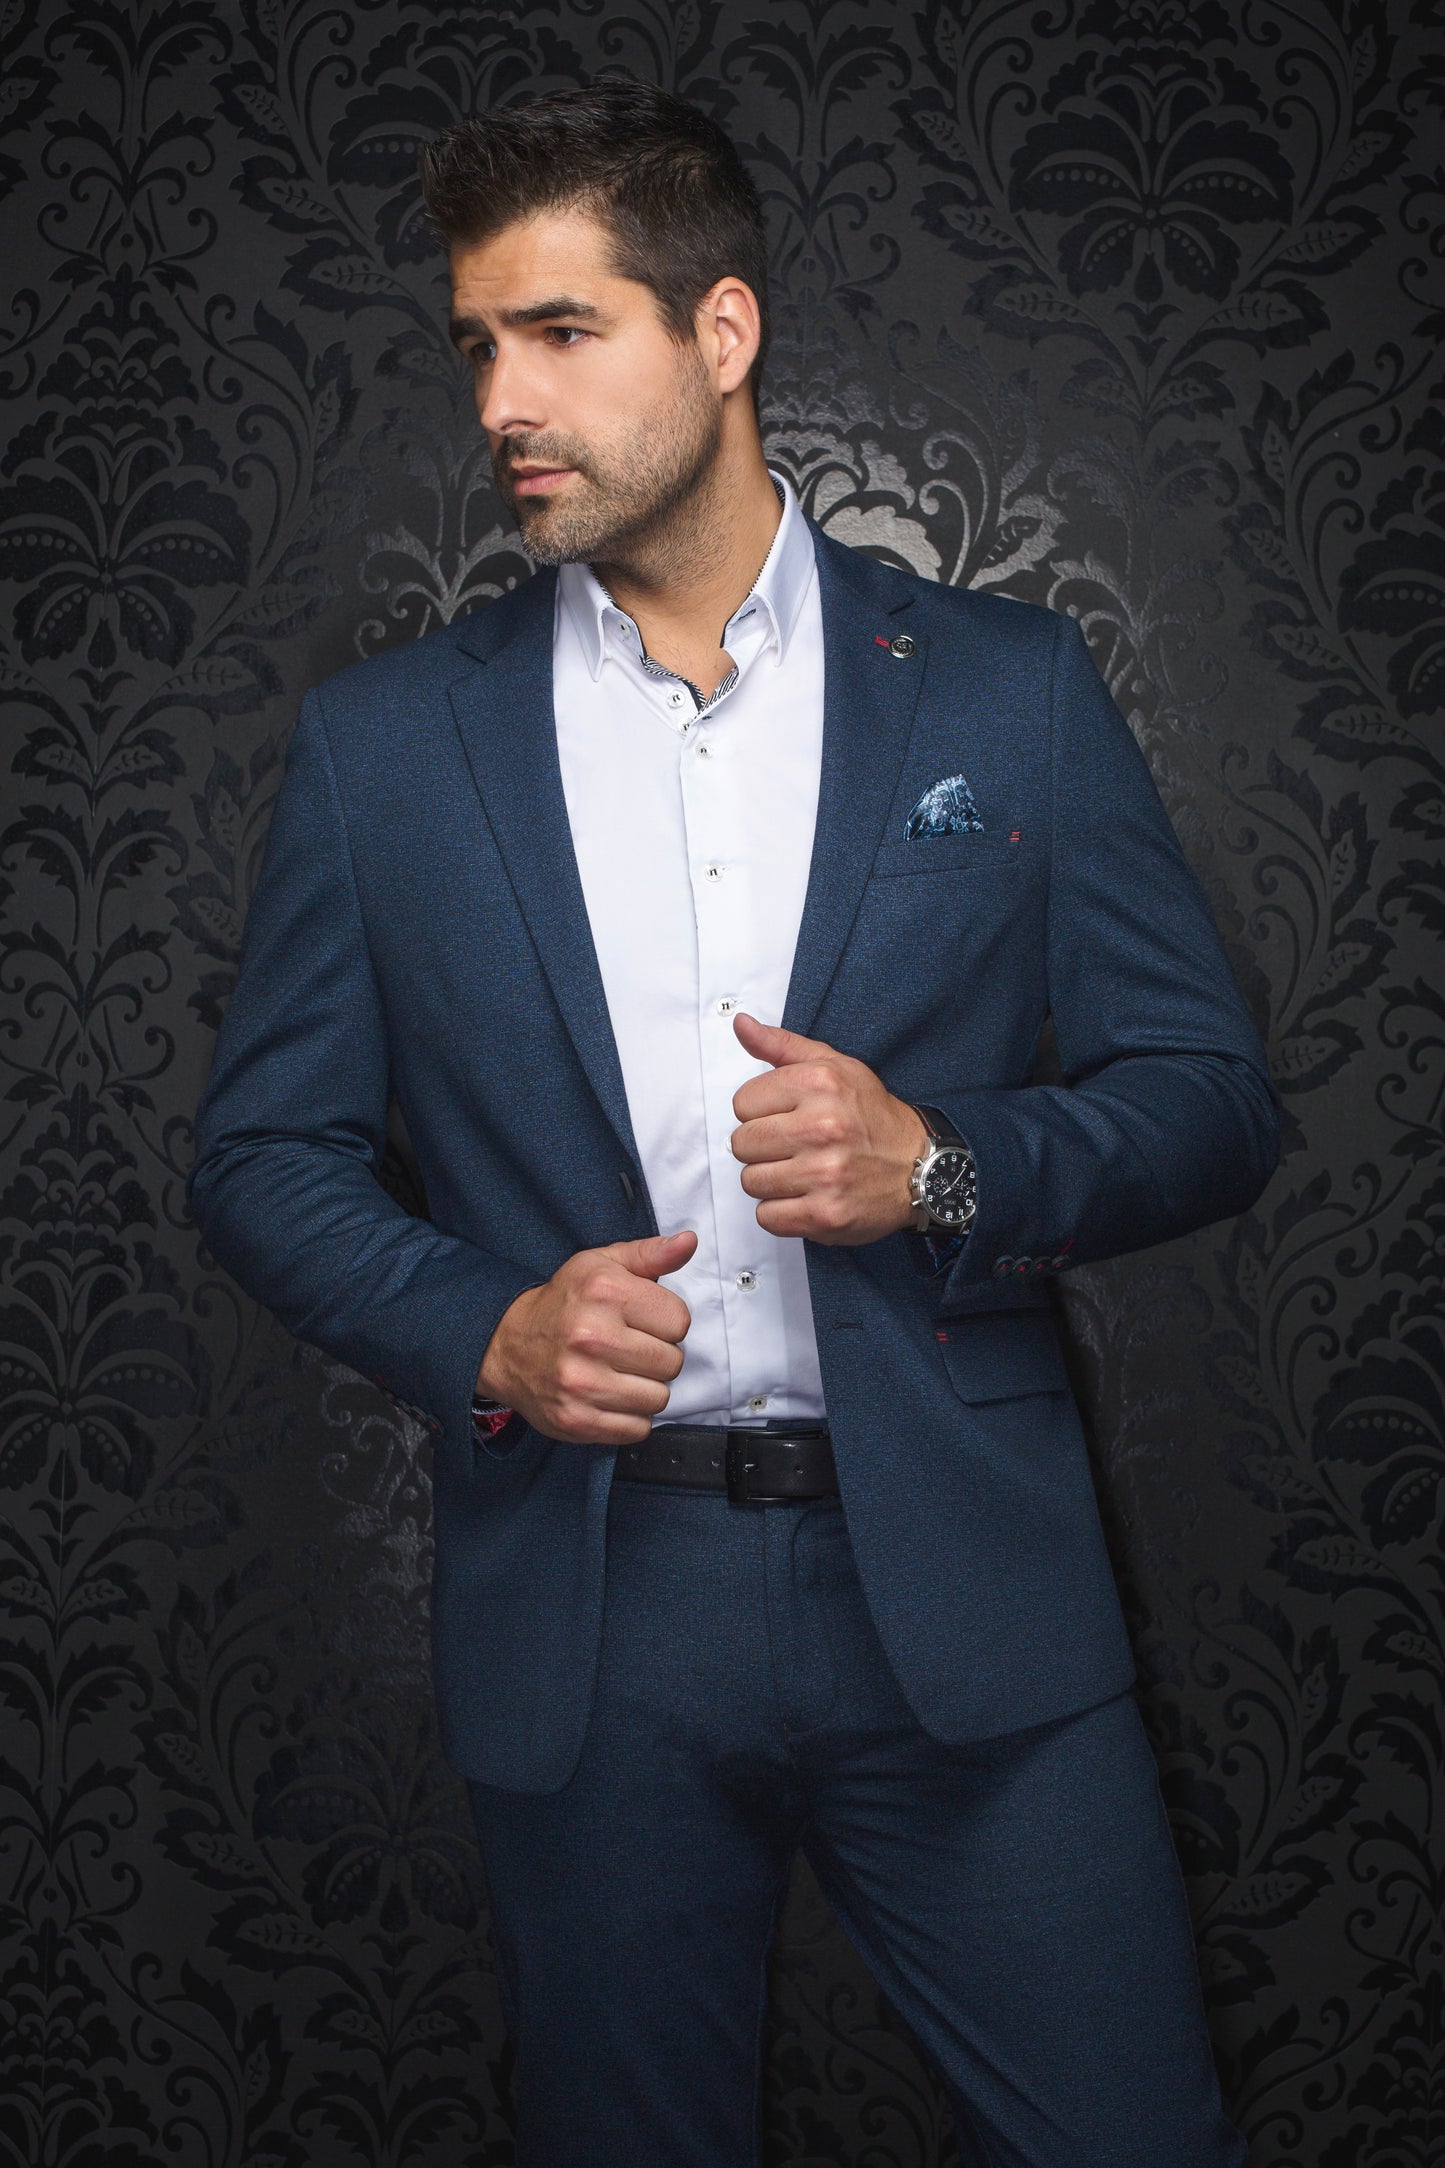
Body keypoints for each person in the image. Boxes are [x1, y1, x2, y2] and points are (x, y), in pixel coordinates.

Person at [186, 80, 1279, 2168]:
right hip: (597, 1615)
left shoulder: (1008, 690)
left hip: (960, 1582)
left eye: (560, 331)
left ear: (722, 331)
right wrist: (485, 1327)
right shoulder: (384, 749)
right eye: (476, 343)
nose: (502, 399)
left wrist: (940, 1164)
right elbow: (261, 1157)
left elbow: (1212, 1105)